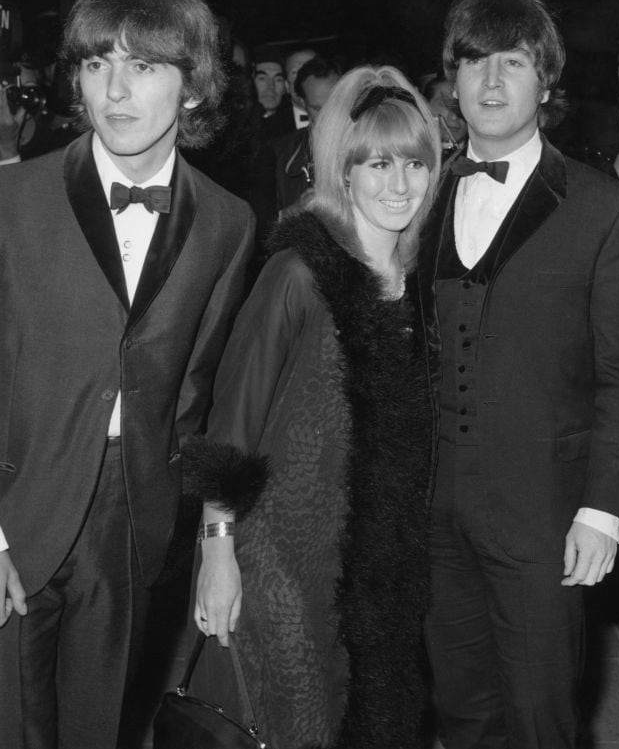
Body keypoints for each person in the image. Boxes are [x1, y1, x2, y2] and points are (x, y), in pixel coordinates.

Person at [0, 0, 255, 747]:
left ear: (193, 85)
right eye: (95, 64)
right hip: (16, 507)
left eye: (143, 66)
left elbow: (202, 400)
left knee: (100, 728)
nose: (115, 90)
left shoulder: (228, 223)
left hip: (134, 525)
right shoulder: (12, 203)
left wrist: (217, 541)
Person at [419, 0, 619, 749]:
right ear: (451, 81)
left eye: (511, 61)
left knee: (543, 712)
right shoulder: (415, 192)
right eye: (473, 60)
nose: (489, 79)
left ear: (545, 83)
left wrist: (603, 508)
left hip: (545, 507)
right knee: (460, 708)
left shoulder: (603, 208)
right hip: (432, 502)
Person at [188, 65, 440, 749]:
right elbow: (230, 422)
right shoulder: (300, 271)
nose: (398, 183)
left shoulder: (425, 283)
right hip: (278, 555)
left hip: (377, 565)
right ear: (343, 169)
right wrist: (217, 553)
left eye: (415, 163)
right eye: (377, 163)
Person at [270, 55, 343, 212]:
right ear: (303, 104)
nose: (327, 116)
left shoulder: (370, 144)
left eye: (333, 105)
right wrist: (298, 210)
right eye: (317, 109)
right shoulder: (281, 153)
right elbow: (265, 222)